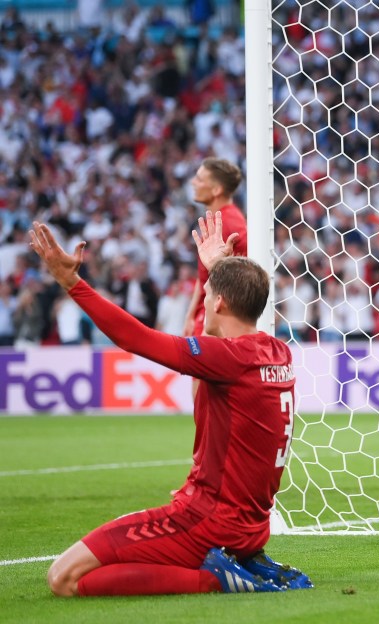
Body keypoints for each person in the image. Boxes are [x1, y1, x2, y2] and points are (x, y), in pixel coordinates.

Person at [34, 211, 311, 596]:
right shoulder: (276, 351)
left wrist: (71, 281)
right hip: (249, 526)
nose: (202, 307)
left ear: (219, 302)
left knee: (63, 579)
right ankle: (235, 562)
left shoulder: (226, 358)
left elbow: (134, 337)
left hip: (204, 522)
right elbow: (237, 310)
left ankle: (217, 579)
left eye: (208, 297)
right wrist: (219, 268)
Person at [183, 158, 248, 338]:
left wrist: (208, 331)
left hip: (213, 323)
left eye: (200, 179)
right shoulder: (219, 220)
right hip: (203, 317)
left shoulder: (228, 225)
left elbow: (231, 284)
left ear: (216, 190)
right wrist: (190, 315)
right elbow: (204, 275)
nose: (193, 182)